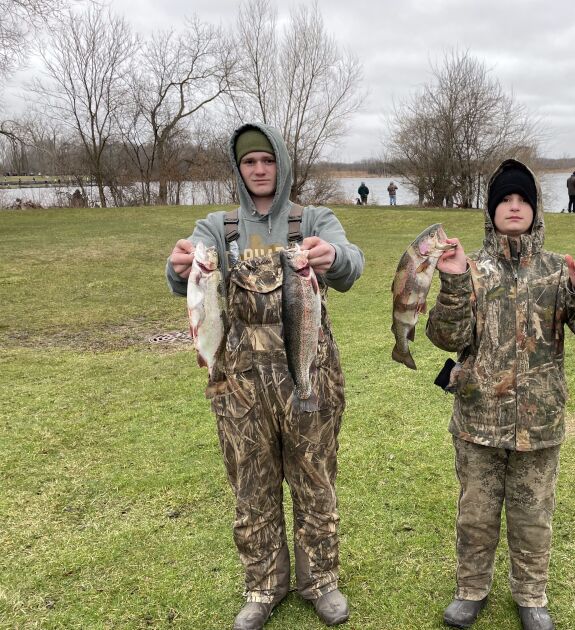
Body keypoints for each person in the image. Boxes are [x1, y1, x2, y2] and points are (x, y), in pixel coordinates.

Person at [166, 123, 364, 630]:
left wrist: (333, 256)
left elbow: (351, 267)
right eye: (249, 162)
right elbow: (185, 277)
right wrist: (179, 265)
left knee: (315, 480)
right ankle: (263, 586)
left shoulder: (312, 219)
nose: (258, 170)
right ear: (239, 169)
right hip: (240, 383)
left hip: (308, 374)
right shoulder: (218, 226)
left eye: (267, 161)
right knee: (251, 487)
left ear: (282, 165)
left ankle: (321, 582)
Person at [426, 159, 575, 630]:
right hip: (478, 422)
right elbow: (446, 337)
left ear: (535, 209)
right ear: (491, 210)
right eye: (504, 200)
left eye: (523, 200)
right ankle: (471, 589)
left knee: (533, 517)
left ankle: (531, 596)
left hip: (540, 424)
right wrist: (452, 282)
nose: (514, 208)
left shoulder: (560, 271)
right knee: (476, 514)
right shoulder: (470, 269)